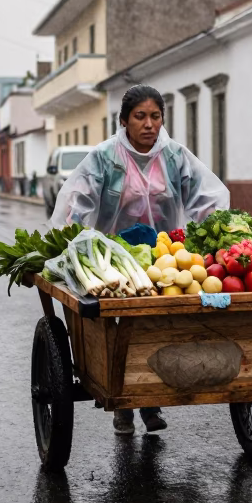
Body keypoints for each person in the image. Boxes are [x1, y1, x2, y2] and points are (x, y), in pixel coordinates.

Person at [50, 84, 230, 436]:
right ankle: (124, 406)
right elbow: (76, 199)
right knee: (122, 331)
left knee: (158, 326)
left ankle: (150, 399)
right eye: (140, 116)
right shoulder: (105, 157)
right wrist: (69, 238)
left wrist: (217, 234)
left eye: (156, 116)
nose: (149, 124)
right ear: (124, 121)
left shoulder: (176, 156)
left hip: (164, 256)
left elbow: (207, 195)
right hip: (118, 261)